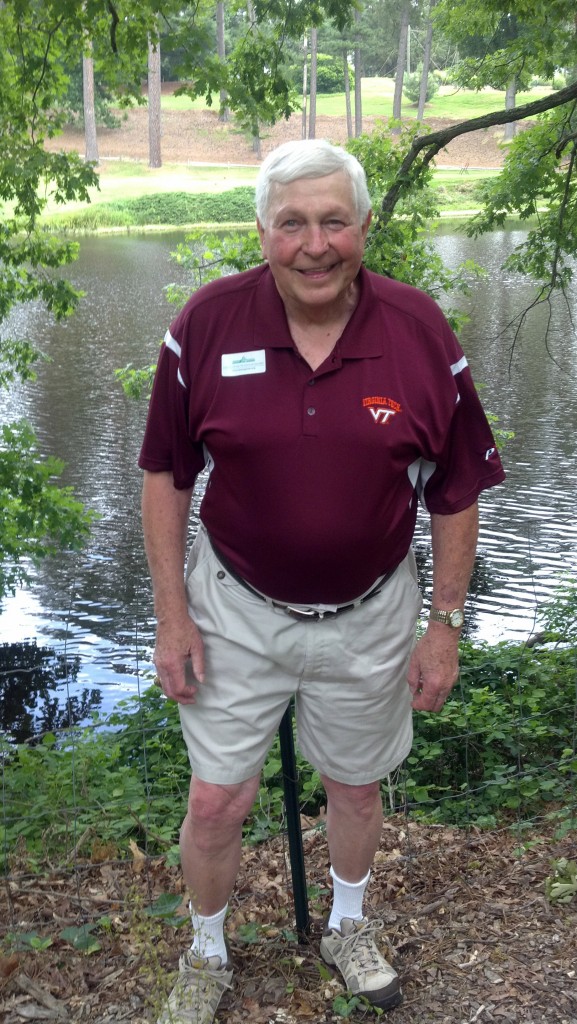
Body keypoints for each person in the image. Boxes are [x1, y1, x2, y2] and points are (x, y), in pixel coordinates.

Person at [139, 138, 505, 1024]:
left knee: (354, 784)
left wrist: (445, 623)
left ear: (365, 227)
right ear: (262, 232)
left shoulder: (419, 331)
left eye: (334, 222)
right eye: (292, 223)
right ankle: (206, 950)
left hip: (371, 611)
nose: (314, 245)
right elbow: (165, 474)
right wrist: (172, 615)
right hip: (233, 607)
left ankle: (346, 926)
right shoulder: (206, 324)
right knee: (216, 797)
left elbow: (456, 490)